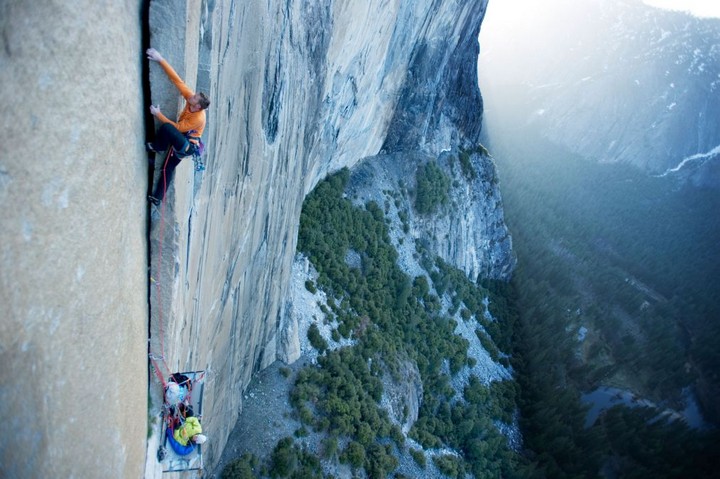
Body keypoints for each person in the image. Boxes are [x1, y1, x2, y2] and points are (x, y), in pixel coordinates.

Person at [145, 47, 210, 205]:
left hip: (187, 146)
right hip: (182, 140)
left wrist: (157, 114)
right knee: (167, 168)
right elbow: (177, 80)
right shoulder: (191, 100)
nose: (191, 96)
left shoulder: (198, 118)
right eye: (194, 96)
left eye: (194, 98)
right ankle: (157, 199)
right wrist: (160, 59)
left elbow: (177, 128)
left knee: (168, 129)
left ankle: (158, 147)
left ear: (198, 107)